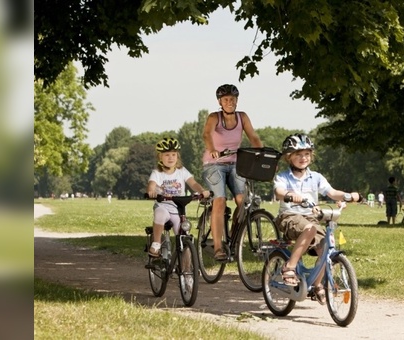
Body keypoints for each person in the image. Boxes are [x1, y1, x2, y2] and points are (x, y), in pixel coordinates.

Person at [273, 134, 362, 305]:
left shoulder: (316, 177)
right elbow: (279, 192)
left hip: (310, 218)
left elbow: (331, 192)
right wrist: (290, 195)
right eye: (298, 154)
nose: (303, 158)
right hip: (289, 216)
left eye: (306, 154)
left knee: (326, 245)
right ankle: (289, 267)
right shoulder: (283, 177)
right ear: (288, 157)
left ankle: (316, 284)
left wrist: (349, 196)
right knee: (310, 229)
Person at [201, 84, 263, 261]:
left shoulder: (242, 117)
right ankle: (218, 247)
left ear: (237, 101)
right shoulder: (215, 117)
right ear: (220, 102)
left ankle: (233, 235)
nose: (230, 102)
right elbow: (207, 134)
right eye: (226, 99)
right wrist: (212, 149)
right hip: (214, 164)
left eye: (233, 99)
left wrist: (261, 152)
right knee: (219, 200)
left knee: (243, 201)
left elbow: (253, 136)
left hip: (235, 163)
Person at [146, 137, 211, 257]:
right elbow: (151, 185)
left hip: (178, 208)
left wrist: (202, 191)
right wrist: (151, 192)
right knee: (159, 213)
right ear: (160, 157)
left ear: (177, 156)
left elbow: (193, 183)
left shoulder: (182, 171)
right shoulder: (157, 173)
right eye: (167, 155)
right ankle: (156, 243)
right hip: (163, 205)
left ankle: (187, 272)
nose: (170, 158)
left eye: (173, 154)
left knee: (184, 238)